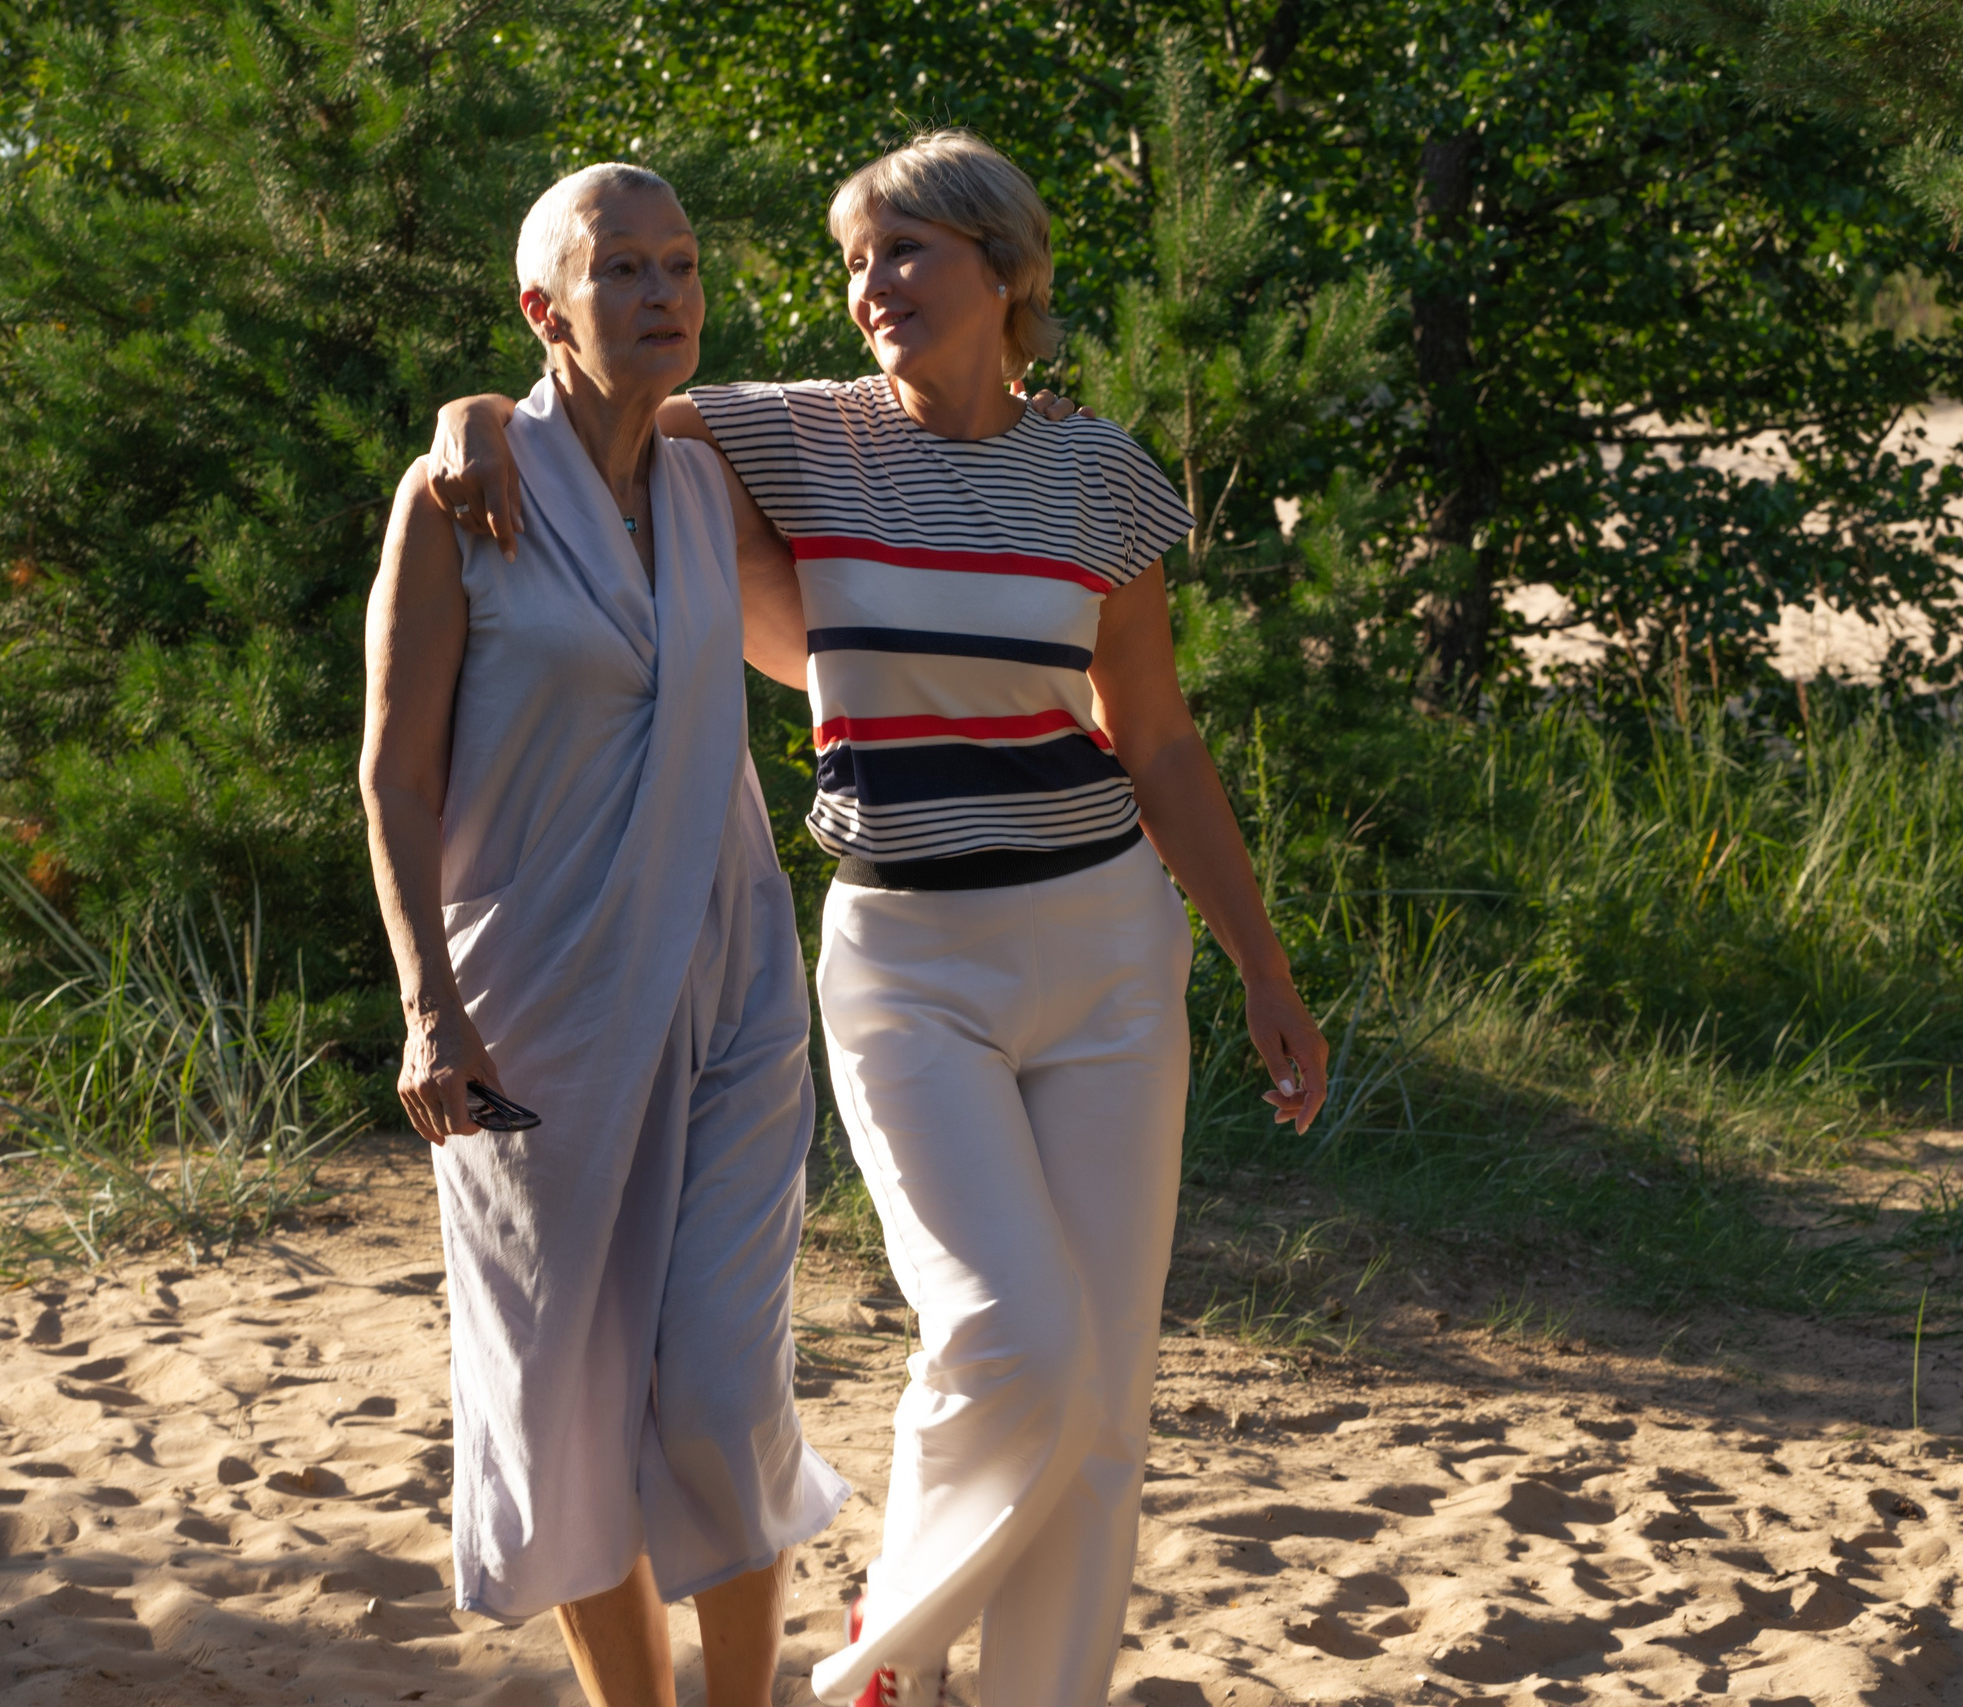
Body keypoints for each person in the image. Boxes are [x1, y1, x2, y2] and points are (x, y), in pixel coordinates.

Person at [428, 131, 1330, 1707]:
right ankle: (882, 1669)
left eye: (906, 252)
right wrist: (470, 414)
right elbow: (590, 404)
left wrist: (1261, 959)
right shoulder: (797, 437)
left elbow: (1161, 738)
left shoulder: (1103, 478)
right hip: (908, 957)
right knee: (1009, 1340)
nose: (870, 289)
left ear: (1006, 275)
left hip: (1110, 951)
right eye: (855, 260)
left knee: (1102, 1399)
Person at [357, 161, 846, 1707]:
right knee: (557, 1407)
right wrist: (429, 1007)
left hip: (734, 990)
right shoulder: (461, 493)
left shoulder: (714, 475)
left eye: (682, 266)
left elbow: (918, 403)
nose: (662, 294)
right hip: (532, 1016)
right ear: (541, 306)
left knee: (721, 1392)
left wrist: (478, 398)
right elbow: (396, 767)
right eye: (620, 268)